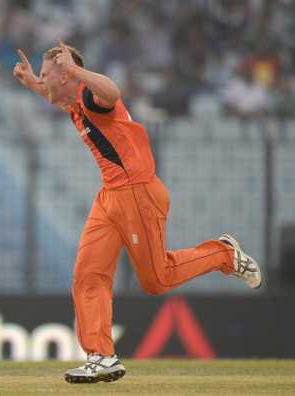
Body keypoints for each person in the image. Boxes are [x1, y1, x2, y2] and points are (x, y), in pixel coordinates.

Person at [13, 41, 262, 384]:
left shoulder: (89, 95)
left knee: (156, 280)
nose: (42, 81)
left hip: (137, 193)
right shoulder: (74, 102)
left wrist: (75, 70)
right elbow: (57, 95)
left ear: (66, 75)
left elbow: (113, 92)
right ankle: (101, 356)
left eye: (45, 75)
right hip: (111, 197)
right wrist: (32, 84)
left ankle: (224, 255)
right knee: (88, 275)